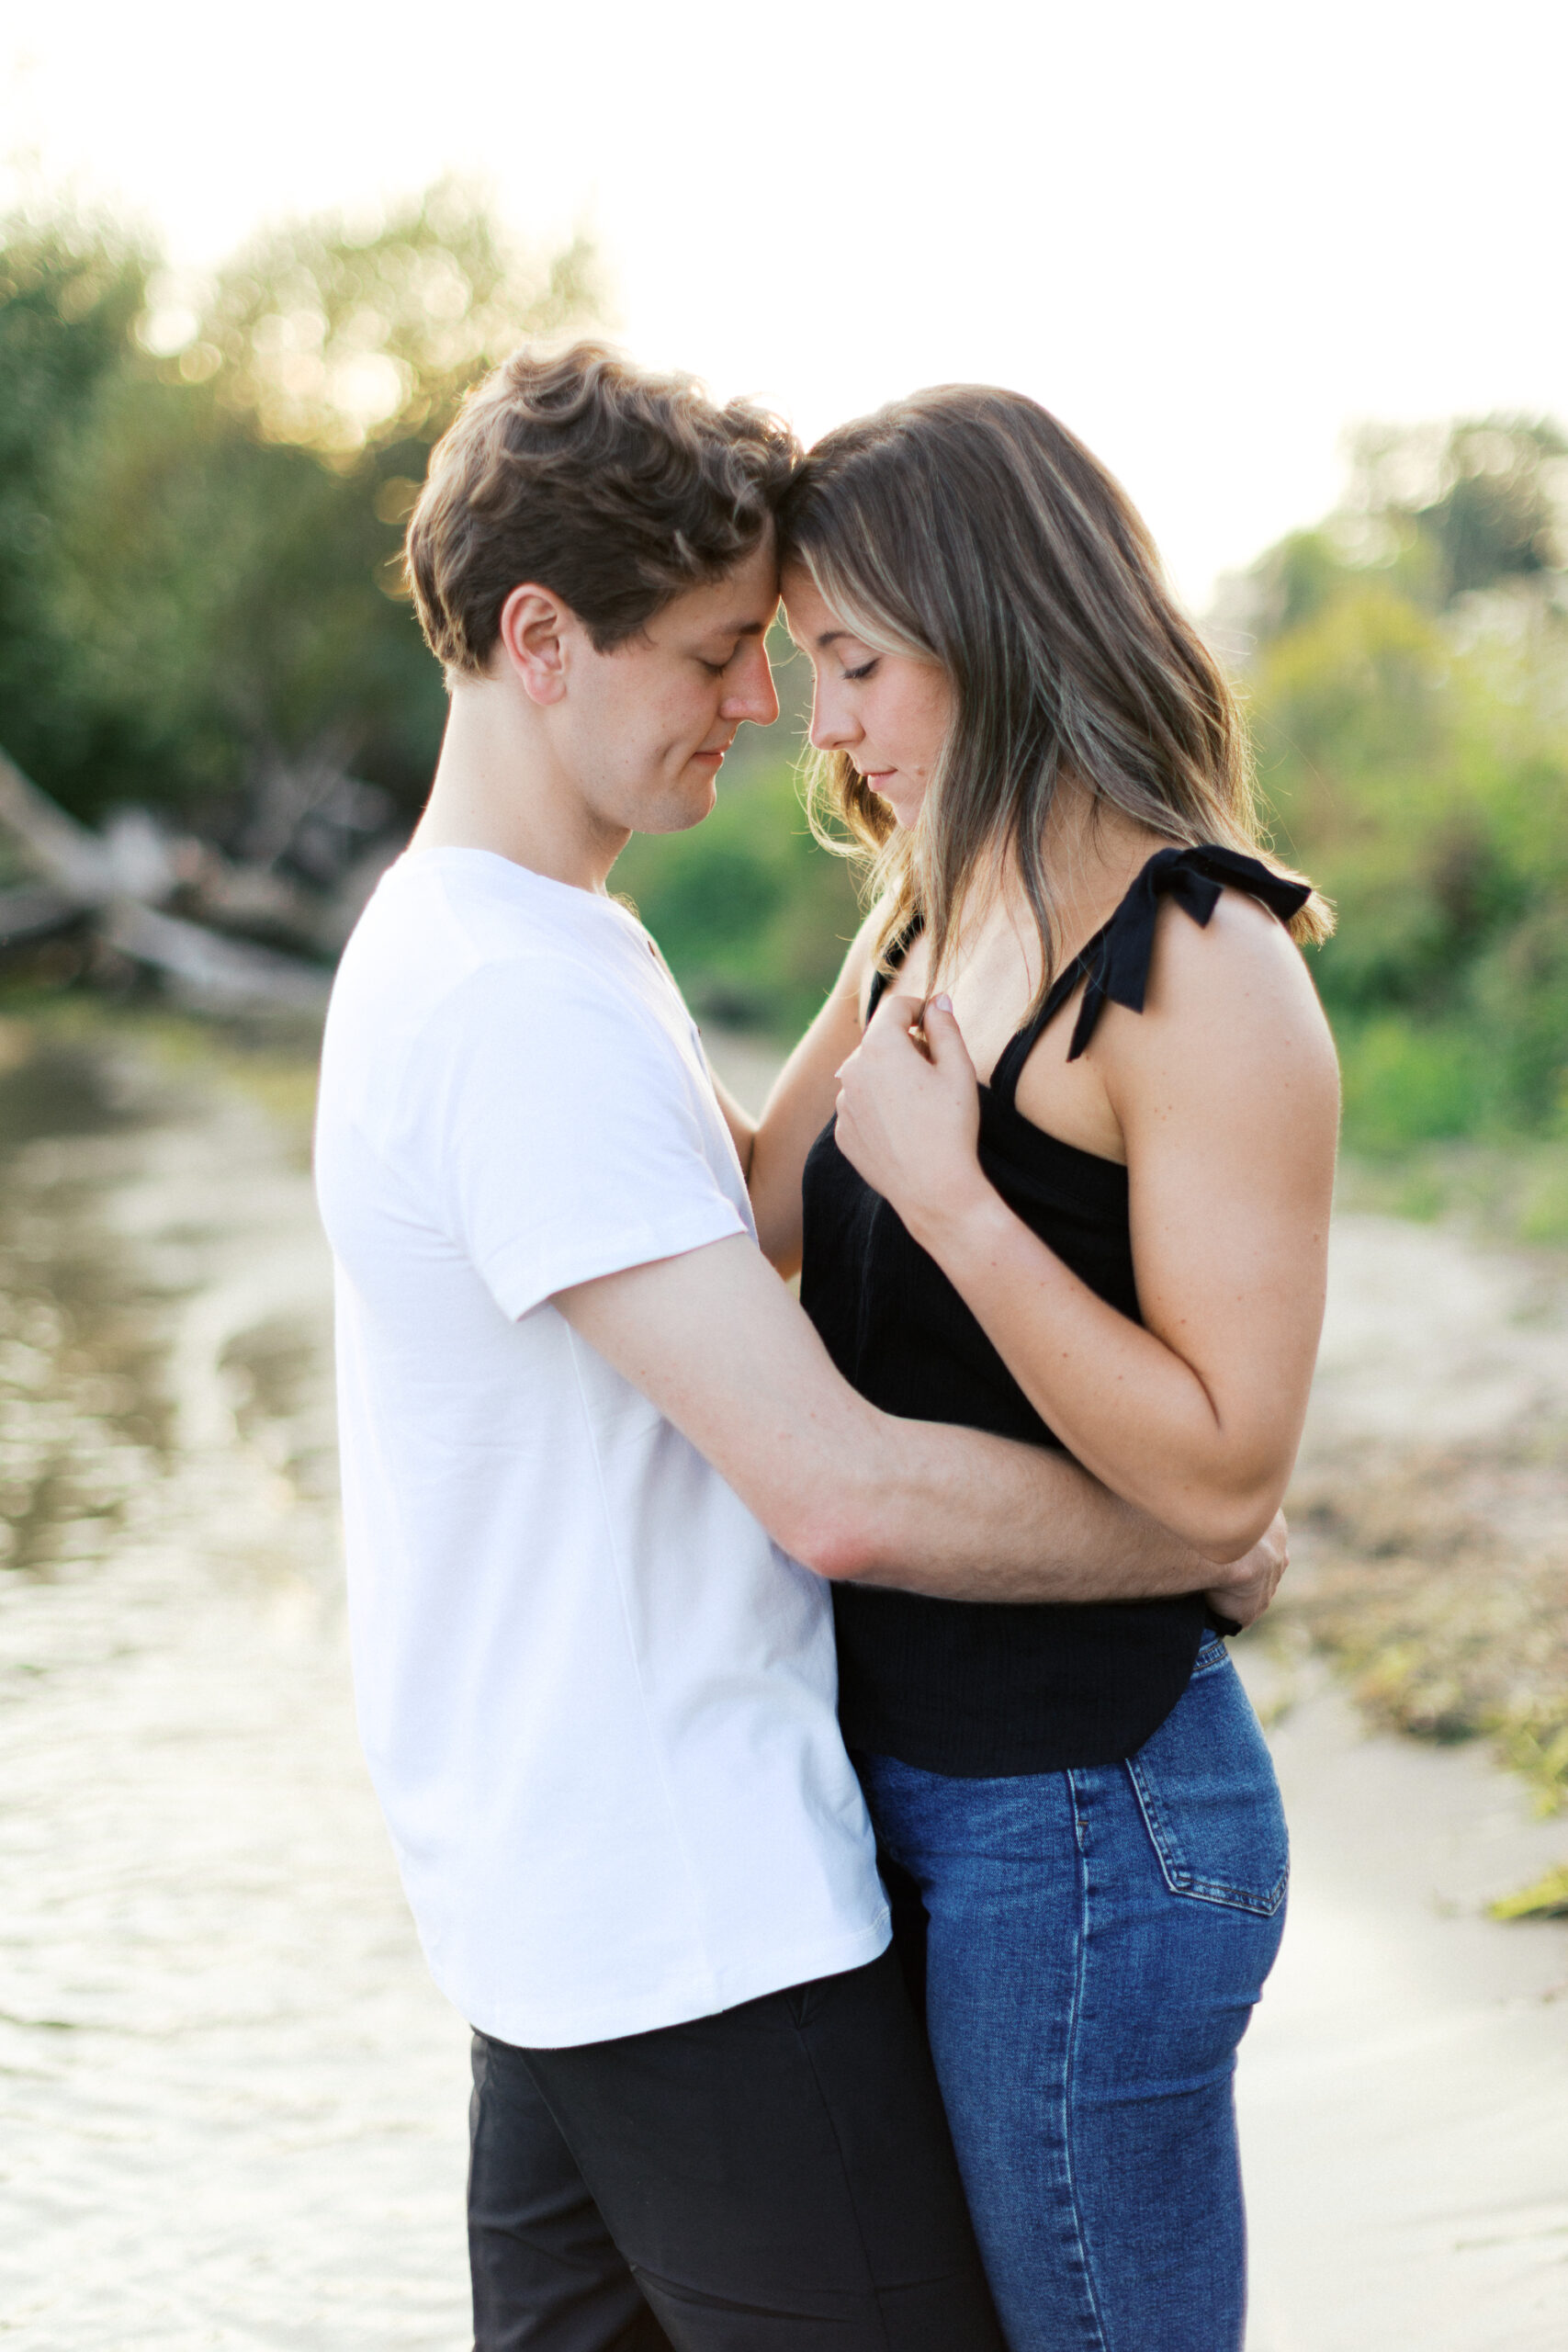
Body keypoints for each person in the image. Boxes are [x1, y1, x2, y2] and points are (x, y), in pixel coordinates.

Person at [313, 345, 1286, 2352]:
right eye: (722, 654)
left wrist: (911, 919)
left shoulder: (532, 941)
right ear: (537, 639)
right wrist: (1180, 1535)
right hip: (685, 1900)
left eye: (825, 657)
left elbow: (748, 1216)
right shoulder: (514, 993)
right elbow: (832, 1483)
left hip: (622, 1888)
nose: (771, 714)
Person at [716, 386, 1341, 2352]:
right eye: (806, 667)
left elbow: (1227, 1474)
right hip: (907, 1784)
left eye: (853, 663)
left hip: (1088, 1824)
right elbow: (755, 1216)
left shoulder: (1199, 960)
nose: (822, 727)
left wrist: (960, 1198)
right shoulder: (920, 913)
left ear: (989, 626)